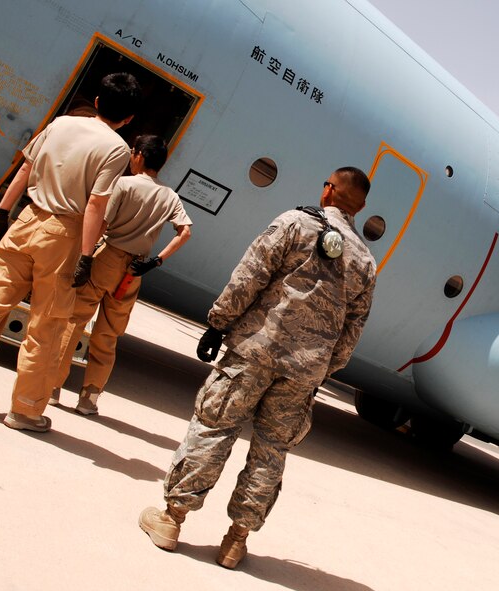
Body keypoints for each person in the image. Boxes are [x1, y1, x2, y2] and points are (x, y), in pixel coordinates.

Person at [139, 167, 377, 569]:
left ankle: (171, 519)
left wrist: (218, 323)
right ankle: (236, 541)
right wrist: (320, 371)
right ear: (362, 206)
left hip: (253, 353)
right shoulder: (365, 262)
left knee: (214, 428)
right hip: (303, 374)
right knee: (270, 452)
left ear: (329, 190)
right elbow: (352, 331)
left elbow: (249, 277)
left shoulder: (295, 222)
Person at [0, 72, 140, 433]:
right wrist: (87, 256)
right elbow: (95, 203)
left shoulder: (60, 124)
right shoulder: (117, 150)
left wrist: (0, 212)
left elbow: (25, 168)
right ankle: (26, 409)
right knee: (46, 325)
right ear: (129, 118)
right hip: (64, 234)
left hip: (26, 219)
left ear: (96, 102)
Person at [50, 134, 193, 415]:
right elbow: (185, 231)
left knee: (75, 320)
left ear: (139, 155)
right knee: (108, 334)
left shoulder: (124, 184)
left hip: (108, 258)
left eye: (132, 152)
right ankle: (89, 399)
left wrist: (85, 255)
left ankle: (53, 387)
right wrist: (156, 262)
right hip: (135, 270)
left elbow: (102, 222)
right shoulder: (170, 196)